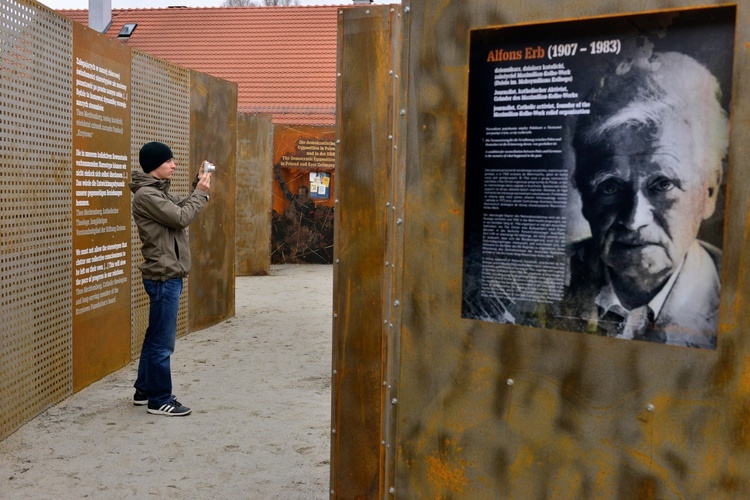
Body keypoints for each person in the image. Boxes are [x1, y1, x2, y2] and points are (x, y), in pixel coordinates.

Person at [563, 51, 730, 349]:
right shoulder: (541, 281)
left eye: (663, 184)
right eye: (610, 187)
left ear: (709, 191)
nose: (634, 217)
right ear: (583, 193)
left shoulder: (736, 298)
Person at [129, 142, 212, 416]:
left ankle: (144, 390)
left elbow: (181, 204)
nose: (174, 164)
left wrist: (197, 185)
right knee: (163, 343)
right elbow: (181, 217)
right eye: (169, 161)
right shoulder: (146, 196)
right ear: (155, 164)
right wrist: (200, 192)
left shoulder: (156, 192)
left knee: (154, 336)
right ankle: (160, 399)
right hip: (164, 276)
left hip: (165, 274)